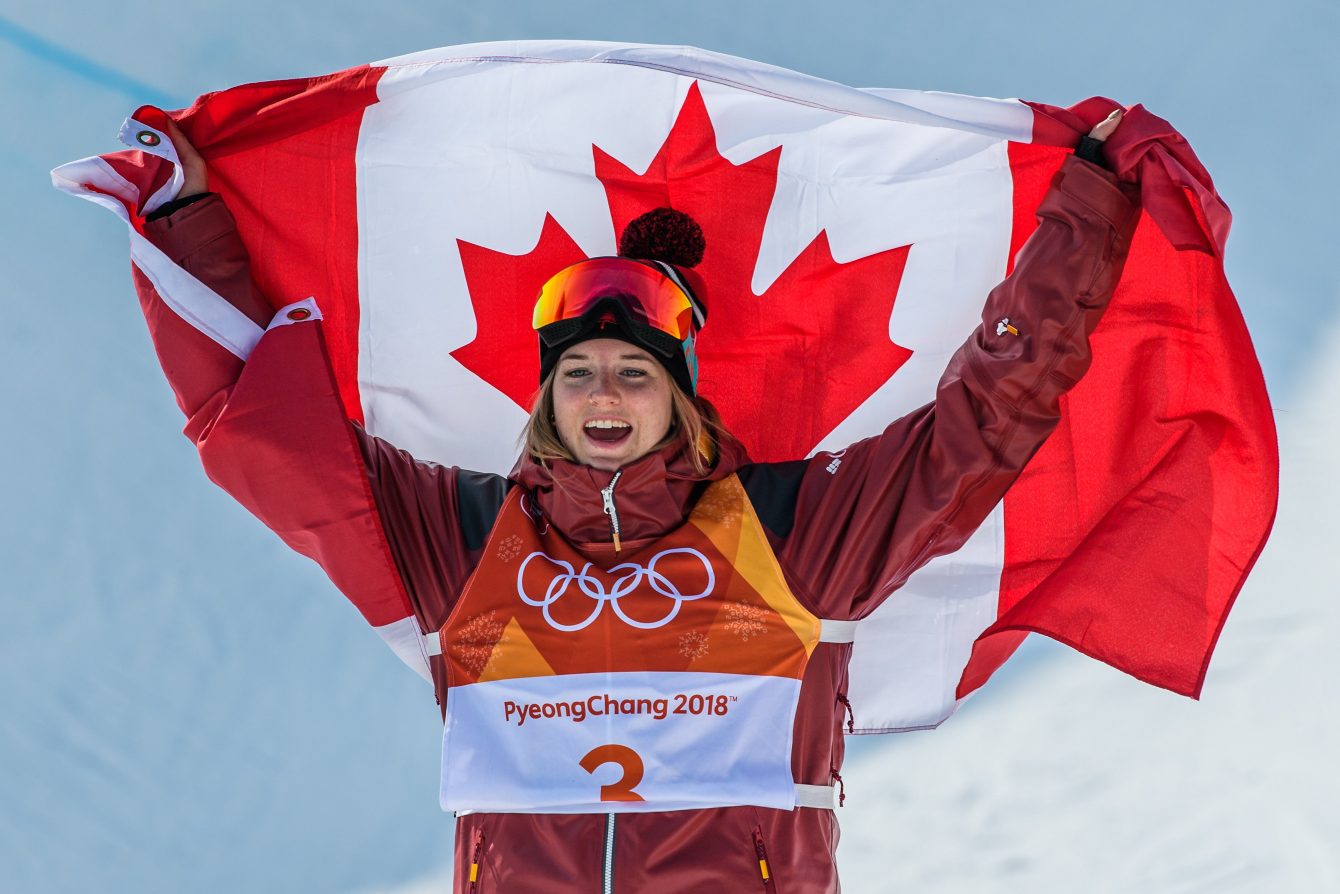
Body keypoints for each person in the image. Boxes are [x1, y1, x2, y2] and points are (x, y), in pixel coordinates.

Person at [138, 110, 1136, 892]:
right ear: (546, 398)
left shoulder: (792, 532)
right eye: (577, 375)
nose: (603, 395)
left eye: (632, 371)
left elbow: (986, 417)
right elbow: (271, 435)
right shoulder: (460, 538)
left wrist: (1083, 214)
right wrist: (185, 224)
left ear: (678, 394)